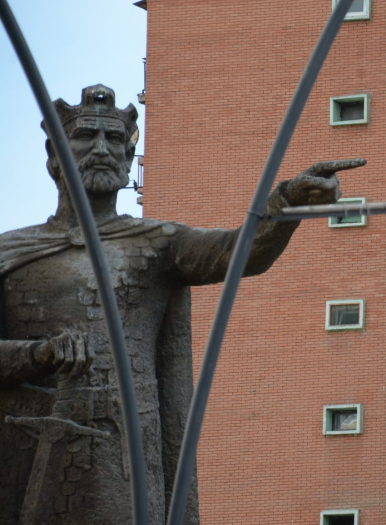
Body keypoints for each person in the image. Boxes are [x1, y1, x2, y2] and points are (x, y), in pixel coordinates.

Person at [0, 84, 361, 524]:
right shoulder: (11, 252)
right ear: (55, 155)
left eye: (114, 140)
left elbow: (239, 252)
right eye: (85, 137)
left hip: (122, 457)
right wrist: (38, 355)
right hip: (23, 453)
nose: (100, 149)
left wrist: (284, 203)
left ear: (127, 159)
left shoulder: (157, 244)